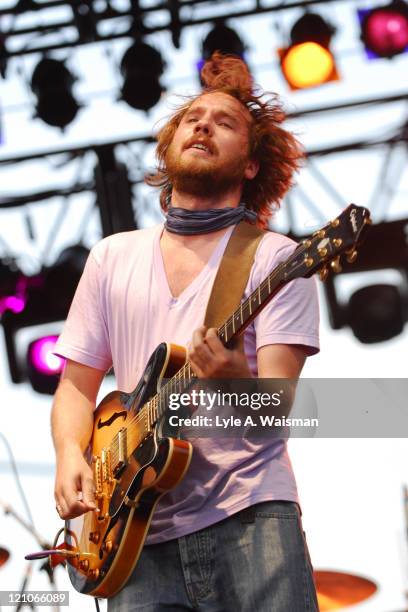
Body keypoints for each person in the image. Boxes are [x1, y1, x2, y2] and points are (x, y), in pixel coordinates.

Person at [51, 53, 320, 611]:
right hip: (134, 535)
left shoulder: (277, 258)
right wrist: (68, 455)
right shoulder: (111, 256)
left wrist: (235, 380)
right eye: (193, 118)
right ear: (168, 146)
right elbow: (77, 386)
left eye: (225, 123)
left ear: (251, 165)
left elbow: (278, 414)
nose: (203, 125)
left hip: (249, 517)